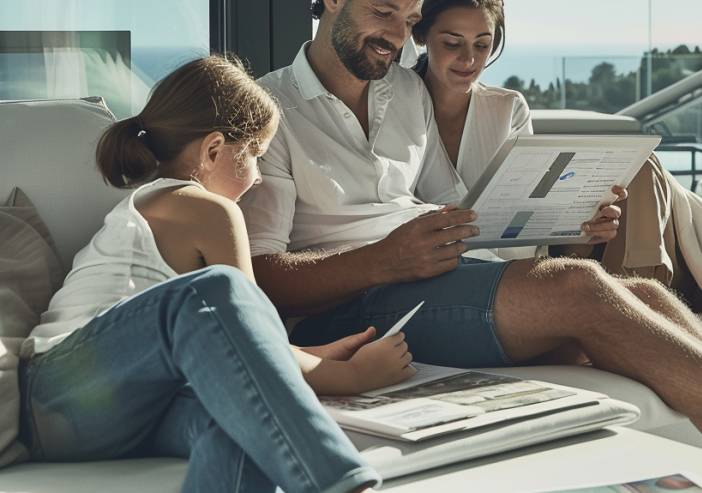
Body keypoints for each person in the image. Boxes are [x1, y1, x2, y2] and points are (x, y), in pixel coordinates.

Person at [241, 0, 702, 491]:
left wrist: (560, 220)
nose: (397, 37)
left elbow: (458, 205)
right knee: (575, 288)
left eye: (409, 24)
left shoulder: (405, 92)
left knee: (645, 297)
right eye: (384, 13)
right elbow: (260, 278)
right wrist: (385, 260)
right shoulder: (268, 114)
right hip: (349, 310)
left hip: (434, 280)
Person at [19, 54, 414, 493]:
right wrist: (353, 376)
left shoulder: (153, 206)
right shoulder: (205, 210)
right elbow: (244, 320)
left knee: (244, 424)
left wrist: (319, 354)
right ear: (212, 150)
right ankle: (343, 483)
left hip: (111, 410)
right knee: (215, 290)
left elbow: (247, 344)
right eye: (256, 157)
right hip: (62, 389)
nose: (260, 177)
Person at [410, 0, 620, 255]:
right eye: (452, 43)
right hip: (436, 276)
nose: (469, 58)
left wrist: (586, 228)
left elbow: (532, 220)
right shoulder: (395, 106)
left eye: (482, 45)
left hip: (516, 270)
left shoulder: (509, 108)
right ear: (421, 34)